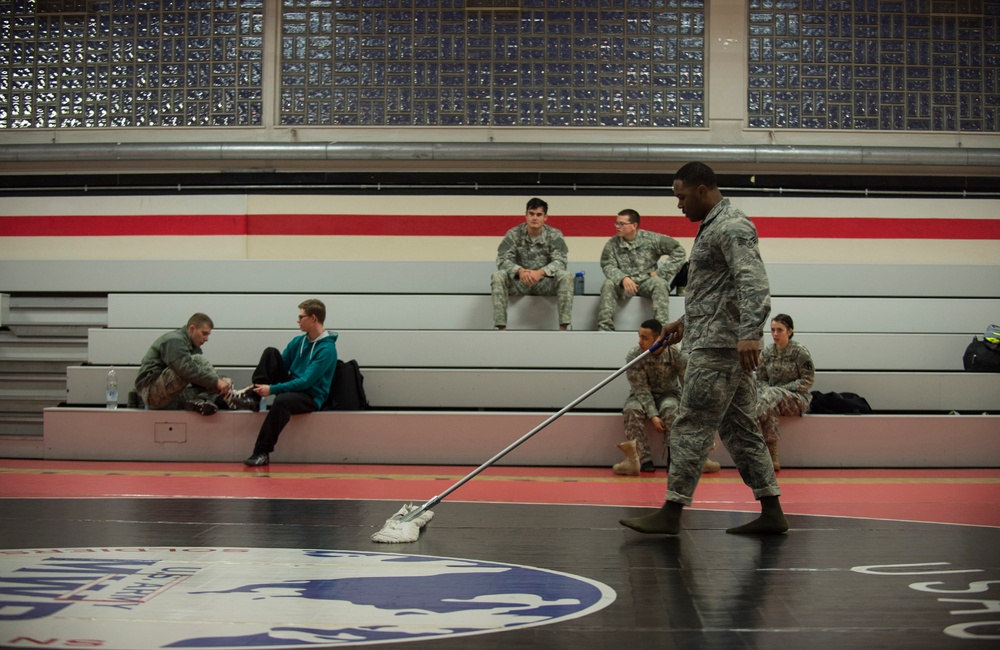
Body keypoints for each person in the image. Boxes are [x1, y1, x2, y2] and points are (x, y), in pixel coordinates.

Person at [619, 161, 788, 536]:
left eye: (681, 197)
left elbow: (754, 283)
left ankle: (672, 511)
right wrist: (684, 322)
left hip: (720, 348)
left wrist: (750, 333)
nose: (678, 205)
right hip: (716, 339)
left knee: (690, 424)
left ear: (700, 190)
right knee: (741, 429)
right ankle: (772, 510)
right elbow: (718, 290)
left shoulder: (731, 225)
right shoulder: (714, 225)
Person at [615, 318, 721, 476]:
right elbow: (641, 388)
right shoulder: (634, 355)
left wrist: (692, 408)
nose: (640, 342)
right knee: (631, 409)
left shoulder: (675, 353)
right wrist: (653, 416)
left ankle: (674, 458)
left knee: (671, 407)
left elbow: (687, 382)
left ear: (657, 338)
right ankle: (642, 460)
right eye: (639, 336)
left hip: (668, 393)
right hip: (641, 396)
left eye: (645, 338)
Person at [240, 299, 338, 467]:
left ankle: (262, 452)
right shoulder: (298, 342)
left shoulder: (327, 350)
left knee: (282, 401)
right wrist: (259, 387)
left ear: (313, 318)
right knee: (271, 353)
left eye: (301, 317)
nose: (298, 321)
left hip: (310, 396)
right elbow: (281, 365)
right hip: (293, 386)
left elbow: (306, 382)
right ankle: (254, 398)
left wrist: (272, 389)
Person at [490, 198, 574, 330]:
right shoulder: (513, 234)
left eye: (539, 214)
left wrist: (540, 273)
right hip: (520, 282)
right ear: (526, 215)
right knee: (498, 276)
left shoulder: (554, 235)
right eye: (531, 213)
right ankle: (501, 328)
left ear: (545, 217)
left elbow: (561, 261)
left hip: (544, 283)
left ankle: (564, 328)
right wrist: (520, 271)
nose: (535, 218)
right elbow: (502, 259)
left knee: (566, 276)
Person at [597, 209, 686, 331]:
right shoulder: (612, 244)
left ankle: (661, 330)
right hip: (625, 285)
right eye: (616, 223)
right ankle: (604, 328)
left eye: (621, 224)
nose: (617, 227)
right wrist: (623, 278)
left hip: (647, 281)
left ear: (634, 225)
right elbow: (607, 264)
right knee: (608, 284)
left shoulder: (651, 239)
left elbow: (679, 251)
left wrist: (661, 273)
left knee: (660, 284)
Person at [134, 312, 234, 415]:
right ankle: (217, 398)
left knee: (211, 381)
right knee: (196, 361)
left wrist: (222, 380)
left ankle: (208, 400)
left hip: (168, 398)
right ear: (191, 329)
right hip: (152, 394)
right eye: (204, 333)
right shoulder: (174, 340)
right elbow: (186, 370)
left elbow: (199, 373)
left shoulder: (191, 346)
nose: (207, 339)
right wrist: (217, 382)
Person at [756, 313, 815, 470]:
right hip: (771, 400)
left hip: (797, 399)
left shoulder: (799, 352)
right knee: (770, 407)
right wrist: (769, 391)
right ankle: (773, 456)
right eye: (772, 330)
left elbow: (807, 381)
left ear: (789, 331)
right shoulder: (767, 353)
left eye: (779, 330)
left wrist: (779, 390)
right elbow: (760, 380)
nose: (775, 334)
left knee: (772, 395)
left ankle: (750, 423)